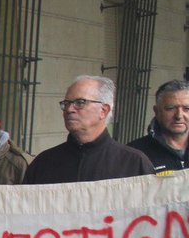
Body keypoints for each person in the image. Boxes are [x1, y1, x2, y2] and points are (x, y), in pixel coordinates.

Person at [24, 76, 154, 184]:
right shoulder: (44, 163)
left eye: (80, 102)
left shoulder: (134, 164)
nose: (69, 109)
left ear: (103, 111)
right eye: (66, 103)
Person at [126, 78, 189, 174]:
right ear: (156, 111)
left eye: (187, 108)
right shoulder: (134, 153)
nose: (179, 116)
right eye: (171, 108)